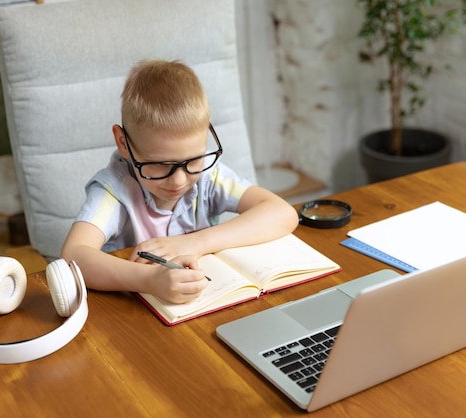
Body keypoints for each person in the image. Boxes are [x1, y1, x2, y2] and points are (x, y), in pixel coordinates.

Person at [60, 59, 298, 304]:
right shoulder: (115, 191)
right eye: (161, 164)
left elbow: (282, 213)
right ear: (124, 144)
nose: (179, 180)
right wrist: (149, 280)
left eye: (193, 160)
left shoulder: (208, 176)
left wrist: (194, 243)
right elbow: (72, 256)